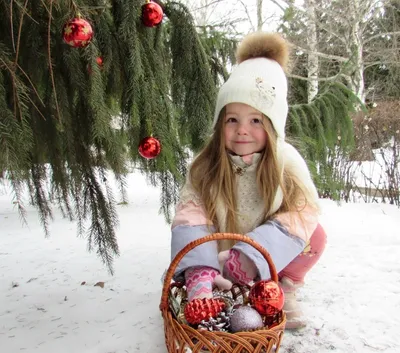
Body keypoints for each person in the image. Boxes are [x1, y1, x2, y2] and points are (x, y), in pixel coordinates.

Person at [170, 32, 327, 330]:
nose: (243, 130)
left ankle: (284, 286)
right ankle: (212, 281)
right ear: (220, 125)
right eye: (232, 120)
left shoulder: (286, 161)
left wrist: (252, 256)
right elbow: (191, 217)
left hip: (266, 252)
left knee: (314, 235)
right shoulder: (205, 164)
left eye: (256, 120)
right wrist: (200, 273)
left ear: (272, 125)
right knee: (202, 260)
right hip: (221, 254)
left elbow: (304, 211)